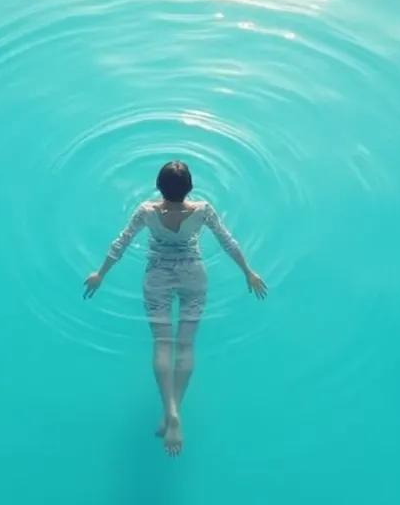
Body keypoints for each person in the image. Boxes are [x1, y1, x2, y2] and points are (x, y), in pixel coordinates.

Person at [83, 160, 267, 456]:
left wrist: (100, 274)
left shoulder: (145, 211)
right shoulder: (203, 210)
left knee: (162, 344)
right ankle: (174, 411)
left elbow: (121, 244)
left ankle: (169, 410)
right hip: (193, 276)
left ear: (158, 187)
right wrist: (248, 271)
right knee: (185, 346)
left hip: (157, 277)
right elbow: (228, 242)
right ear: (190, 188)